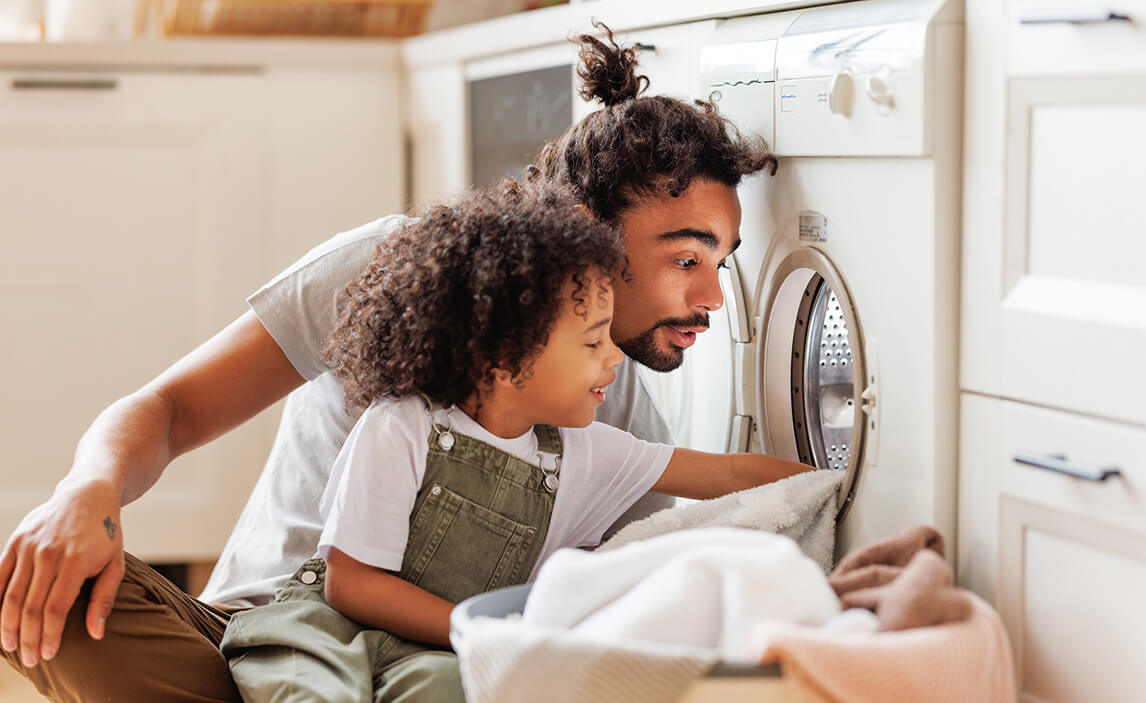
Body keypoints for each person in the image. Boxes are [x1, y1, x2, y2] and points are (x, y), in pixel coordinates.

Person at [0, 23, 776, 703]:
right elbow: (172, 408)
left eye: (724, 262)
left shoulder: (615, 409)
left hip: (422, 671)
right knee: (38, 592)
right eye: (685, 257)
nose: (712, 296)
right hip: (259, 633)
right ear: (588, 230)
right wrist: (87, 489)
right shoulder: (393, 268)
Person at [220, 179, 810, 703]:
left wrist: (835, 482)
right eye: (593, 342)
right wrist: (480, 628)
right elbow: (351, 583)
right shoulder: (401, 426)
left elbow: (727, 475)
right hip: (327, 631)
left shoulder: (586, 451)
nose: (614, 359)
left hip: (435, 651)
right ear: (505, 358)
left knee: (446, 687)